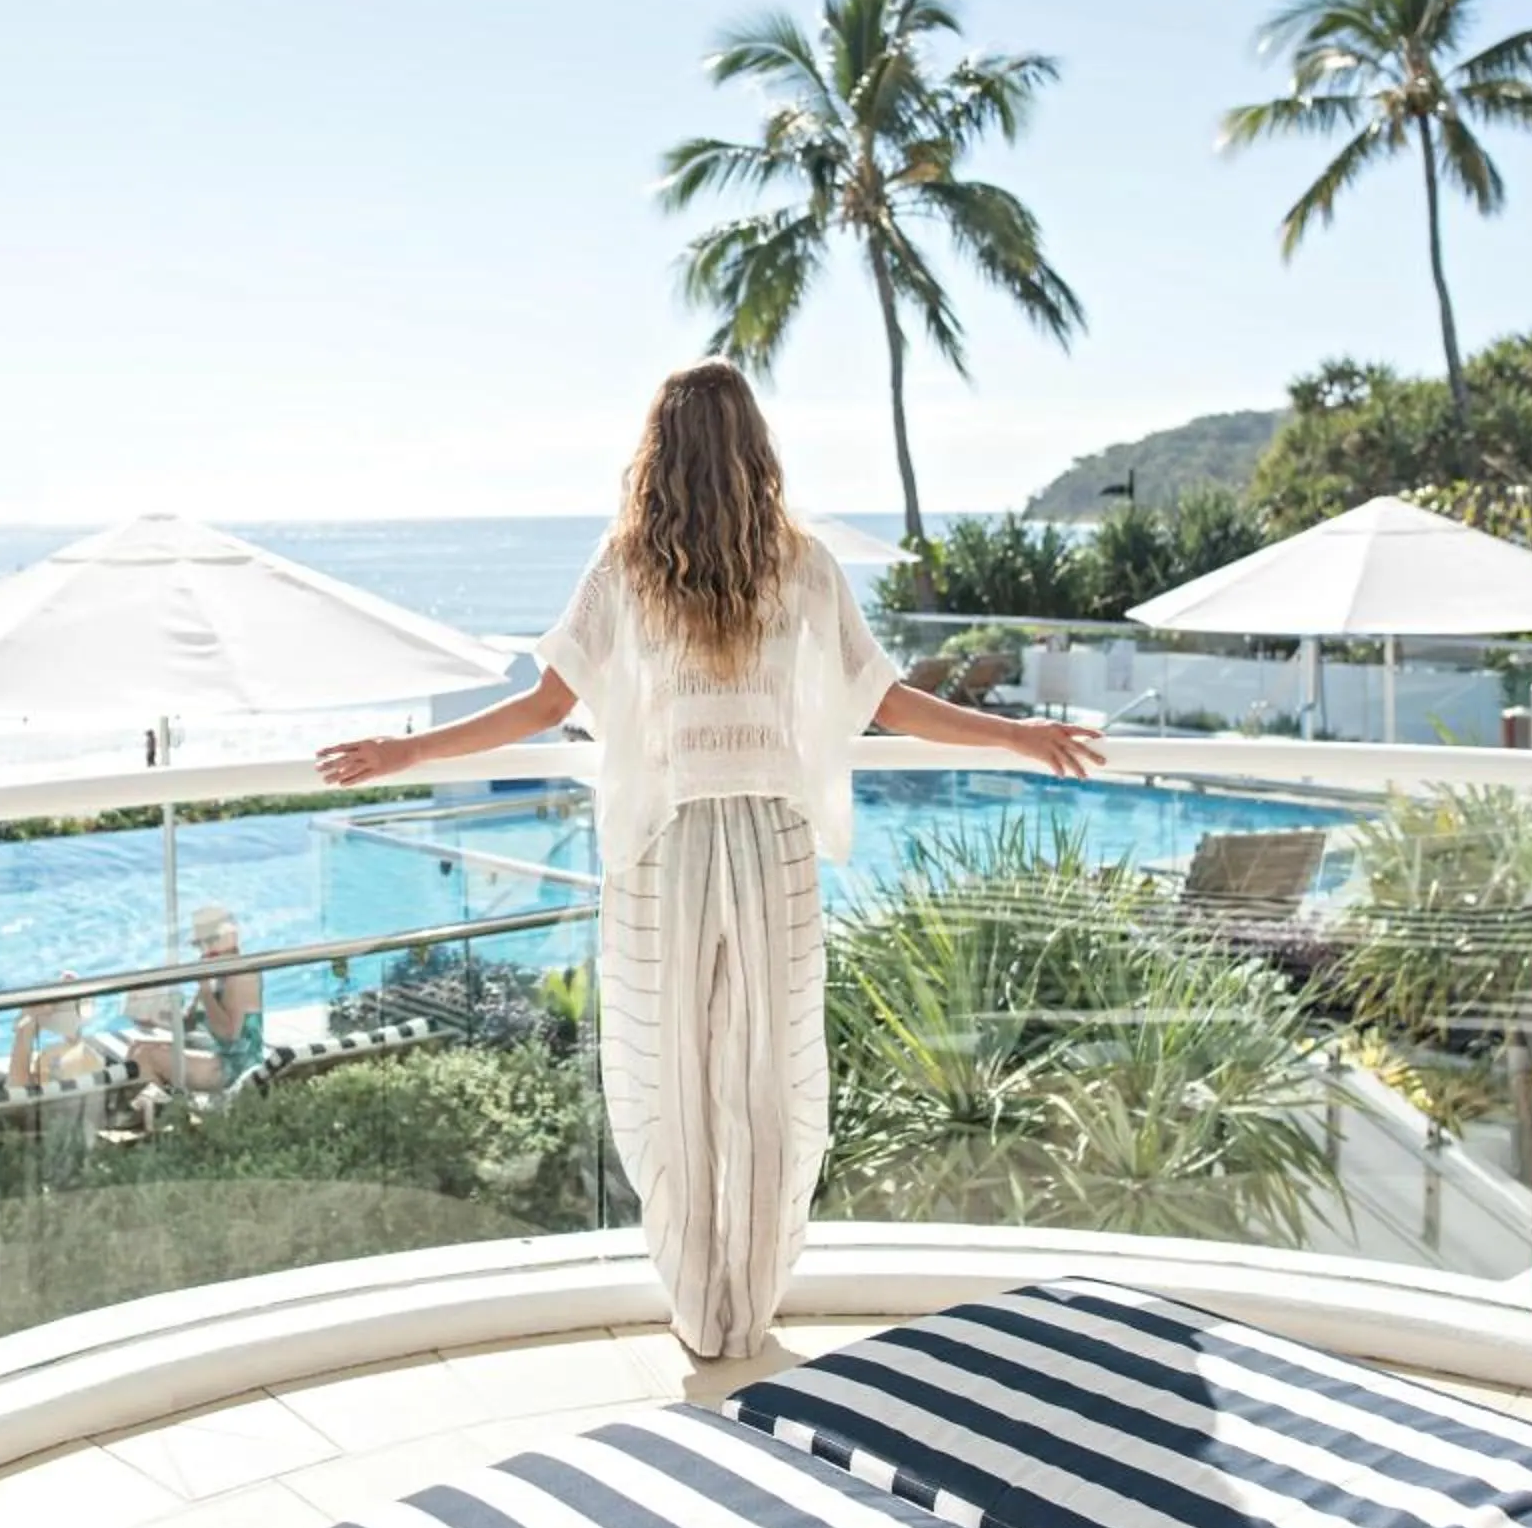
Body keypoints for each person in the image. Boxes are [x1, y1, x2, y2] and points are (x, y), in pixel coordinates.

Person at [320, 361, 1099, 1360]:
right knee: (770, 1074)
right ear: (753, 445)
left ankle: (700, 1307)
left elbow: (544, 707)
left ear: (658, 453)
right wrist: (1019, 736)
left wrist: (407, 751)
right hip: (771, 843)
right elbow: (885, 699)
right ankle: (754, 1300)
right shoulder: (801, 562)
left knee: (671, 1072)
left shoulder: (627, 564)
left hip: (667, 846)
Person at [131, 905, 263, 1094]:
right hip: (214, 1057)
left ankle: (162, 1115)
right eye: (202, 943)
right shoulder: (216, 972)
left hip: (233, 1067)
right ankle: (152, 1110)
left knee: (146, 1057)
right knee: (137, 1048)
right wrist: (155, 1018)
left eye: (212, 941)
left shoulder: (240, 974)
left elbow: (229, 1034)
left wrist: (205, 991)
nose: (206, 949)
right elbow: (190, 1024)